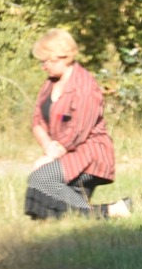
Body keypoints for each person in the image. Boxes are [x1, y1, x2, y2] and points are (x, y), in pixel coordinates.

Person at [25, 29, 128, 220]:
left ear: (62, 56)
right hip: (63, 153)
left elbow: (78, 131)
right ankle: (114, 210)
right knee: (43, 205)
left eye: (47, 61)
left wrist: (50, 156)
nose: (43, 66)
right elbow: (37, 120)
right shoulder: (49, 84)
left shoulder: (84, 85)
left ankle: (110, 212)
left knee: (40, 178)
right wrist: (48, 146)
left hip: (89, 155)